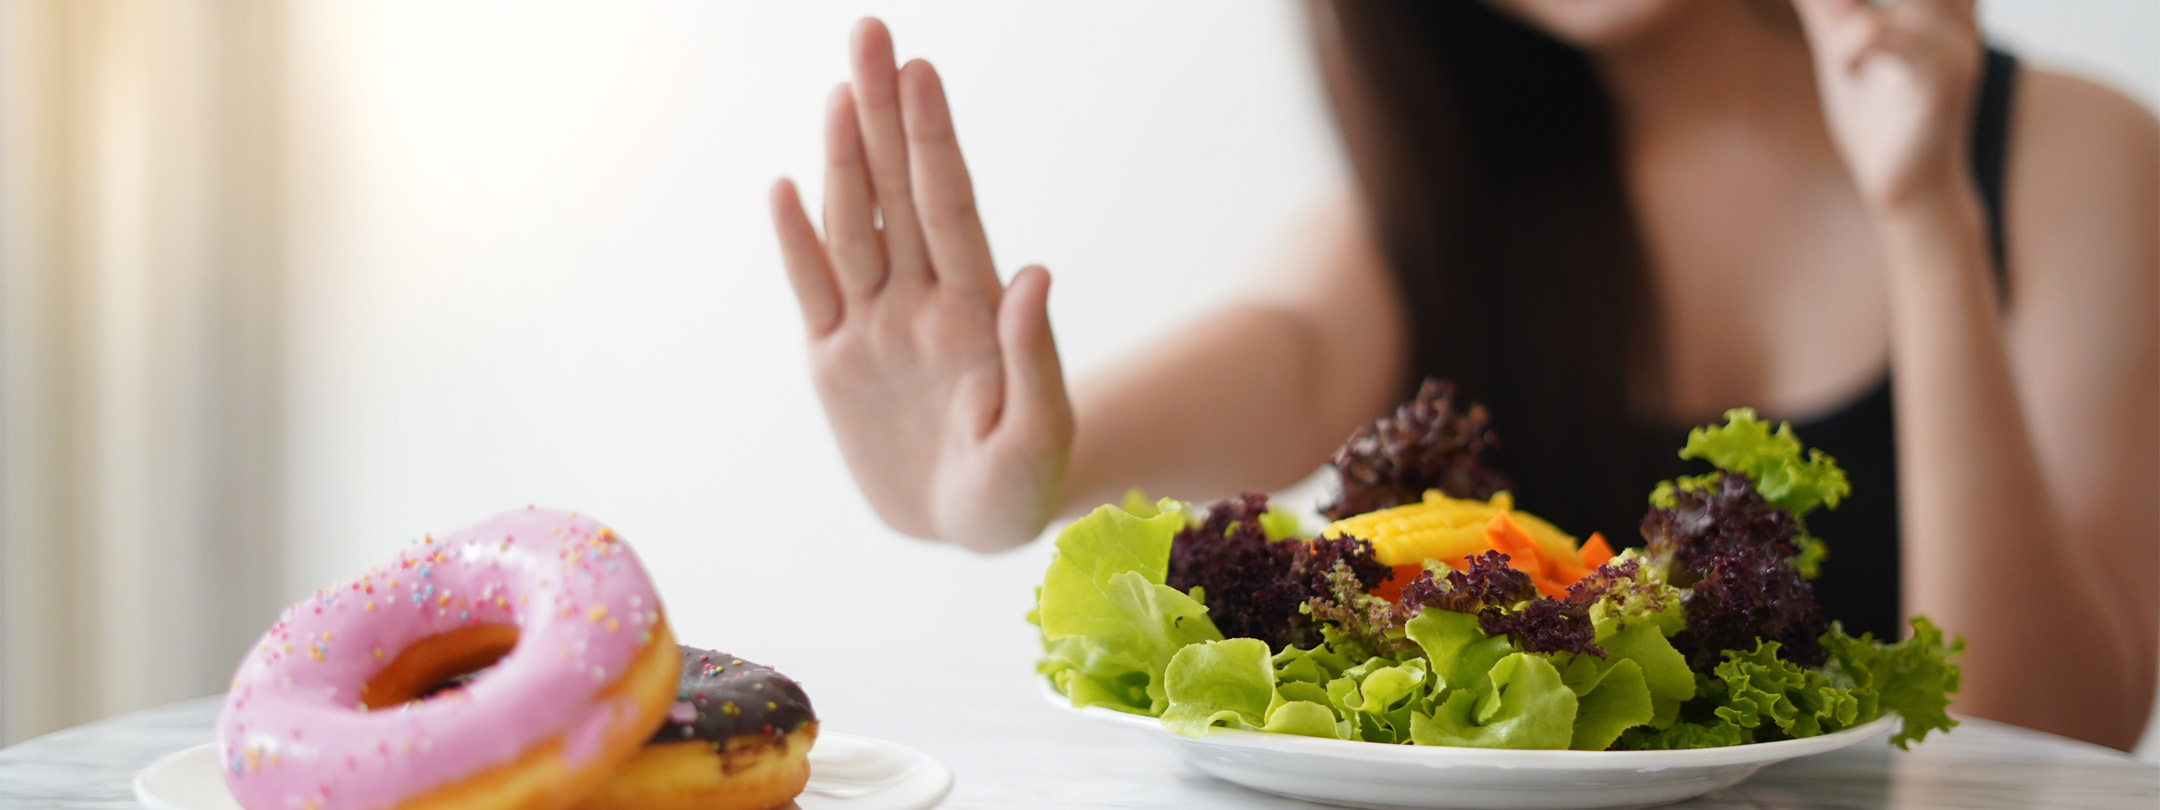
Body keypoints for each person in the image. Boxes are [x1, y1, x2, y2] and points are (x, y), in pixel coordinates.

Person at [765, 0, 2157, 749]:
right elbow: (1290, 347)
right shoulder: (1431, 222)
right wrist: (1012, 478)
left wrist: (1924, 215)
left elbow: (2043, 751)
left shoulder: (2079, 161)